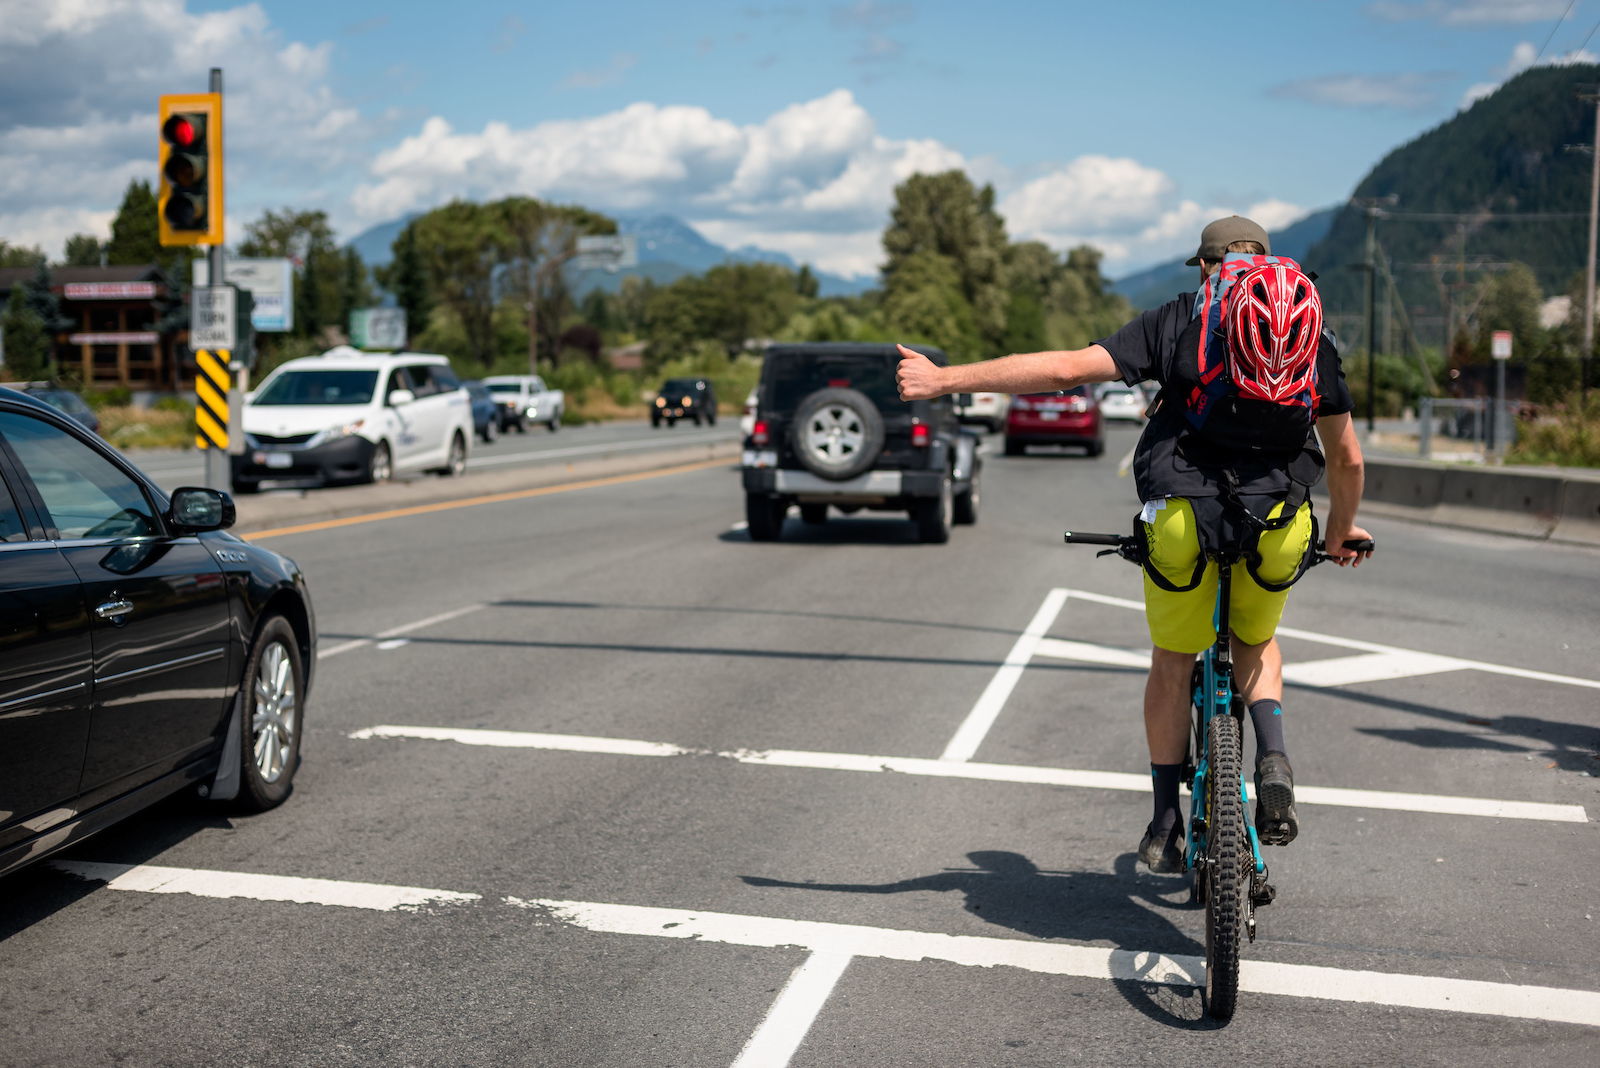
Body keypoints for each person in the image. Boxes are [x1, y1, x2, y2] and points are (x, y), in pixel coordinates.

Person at [895, 215, 1372, 873]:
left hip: (1180, 518)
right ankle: (1273, 758)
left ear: (1206, 266)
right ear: (1268, 263)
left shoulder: (1179, 318)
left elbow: (1064, 370)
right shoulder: (1306, 333)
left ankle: (1165, 823)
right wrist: (1343, 530)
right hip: (1279, 523)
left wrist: (943, 380)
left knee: (1174, 659)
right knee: (1255, 642)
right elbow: (1346, 459)